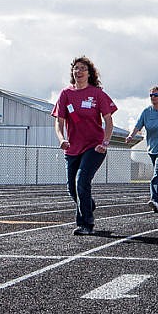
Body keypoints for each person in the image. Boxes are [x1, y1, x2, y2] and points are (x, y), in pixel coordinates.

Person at [52, 56, 117, 236]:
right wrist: (61, 139)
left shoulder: (97, 94)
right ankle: (88, 204)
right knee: (72, 189)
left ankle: (85, 224)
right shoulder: (66, 94)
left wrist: (105, 142)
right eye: (76, 68)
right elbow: (59, 122)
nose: (78, 71)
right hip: (72, 148)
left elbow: (109, 121)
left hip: (94, 146)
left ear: (89, 73)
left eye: (82, 69)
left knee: (82, 181)